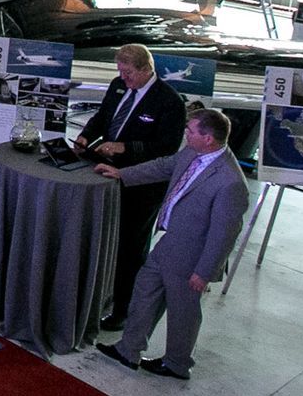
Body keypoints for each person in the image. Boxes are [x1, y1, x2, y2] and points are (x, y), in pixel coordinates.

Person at [92, 108, 250, 380]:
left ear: (208, 139)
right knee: (145, 288)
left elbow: (224, 234)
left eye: (190, 130)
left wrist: (204, 272)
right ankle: (129, 349)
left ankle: (177, 364)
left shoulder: (230, 182)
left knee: (182, 310)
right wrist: (122, 174)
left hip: (192, 256)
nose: (185, 133)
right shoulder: (191, 153)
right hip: (169, 243)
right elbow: (163, 166)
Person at [73, 43, 186, 328]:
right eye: (120, 72)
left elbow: (166, 147)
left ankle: (123, 311)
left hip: (141, 184)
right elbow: (103, 117)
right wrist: (87, 135)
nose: (123, 78)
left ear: (147, 70)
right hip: (104, 170)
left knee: (130, 247)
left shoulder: (170, 102)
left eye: (129, 73)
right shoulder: (118, 86)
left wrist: (124, 148)